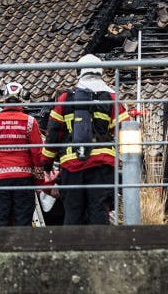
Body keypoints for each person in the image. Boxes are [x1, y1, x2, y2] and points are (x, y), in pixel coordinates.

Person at [41, 54, 129, 225]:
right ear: (100, 72)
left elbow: (53, 133)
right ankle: (99, 250)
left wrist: (46, 163)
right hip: (102, 167)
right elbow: (125, 129)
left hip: (71, 166)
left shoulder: (65, 99)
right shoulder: (112, 99)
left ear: (79, 72)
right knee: (99, 211)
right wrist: (127, 161)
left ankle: (72, 249)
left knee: (73, 212)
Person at [0, 81, 44, 226]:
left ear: (4, 98)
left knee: (0, 222)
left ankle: (1, 249)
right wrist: (39, 182)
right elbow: (37, 154)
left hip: (0, 181)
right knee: (23, 223)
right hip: (24, 181)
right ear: (21, 98)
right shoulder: (30, 122)